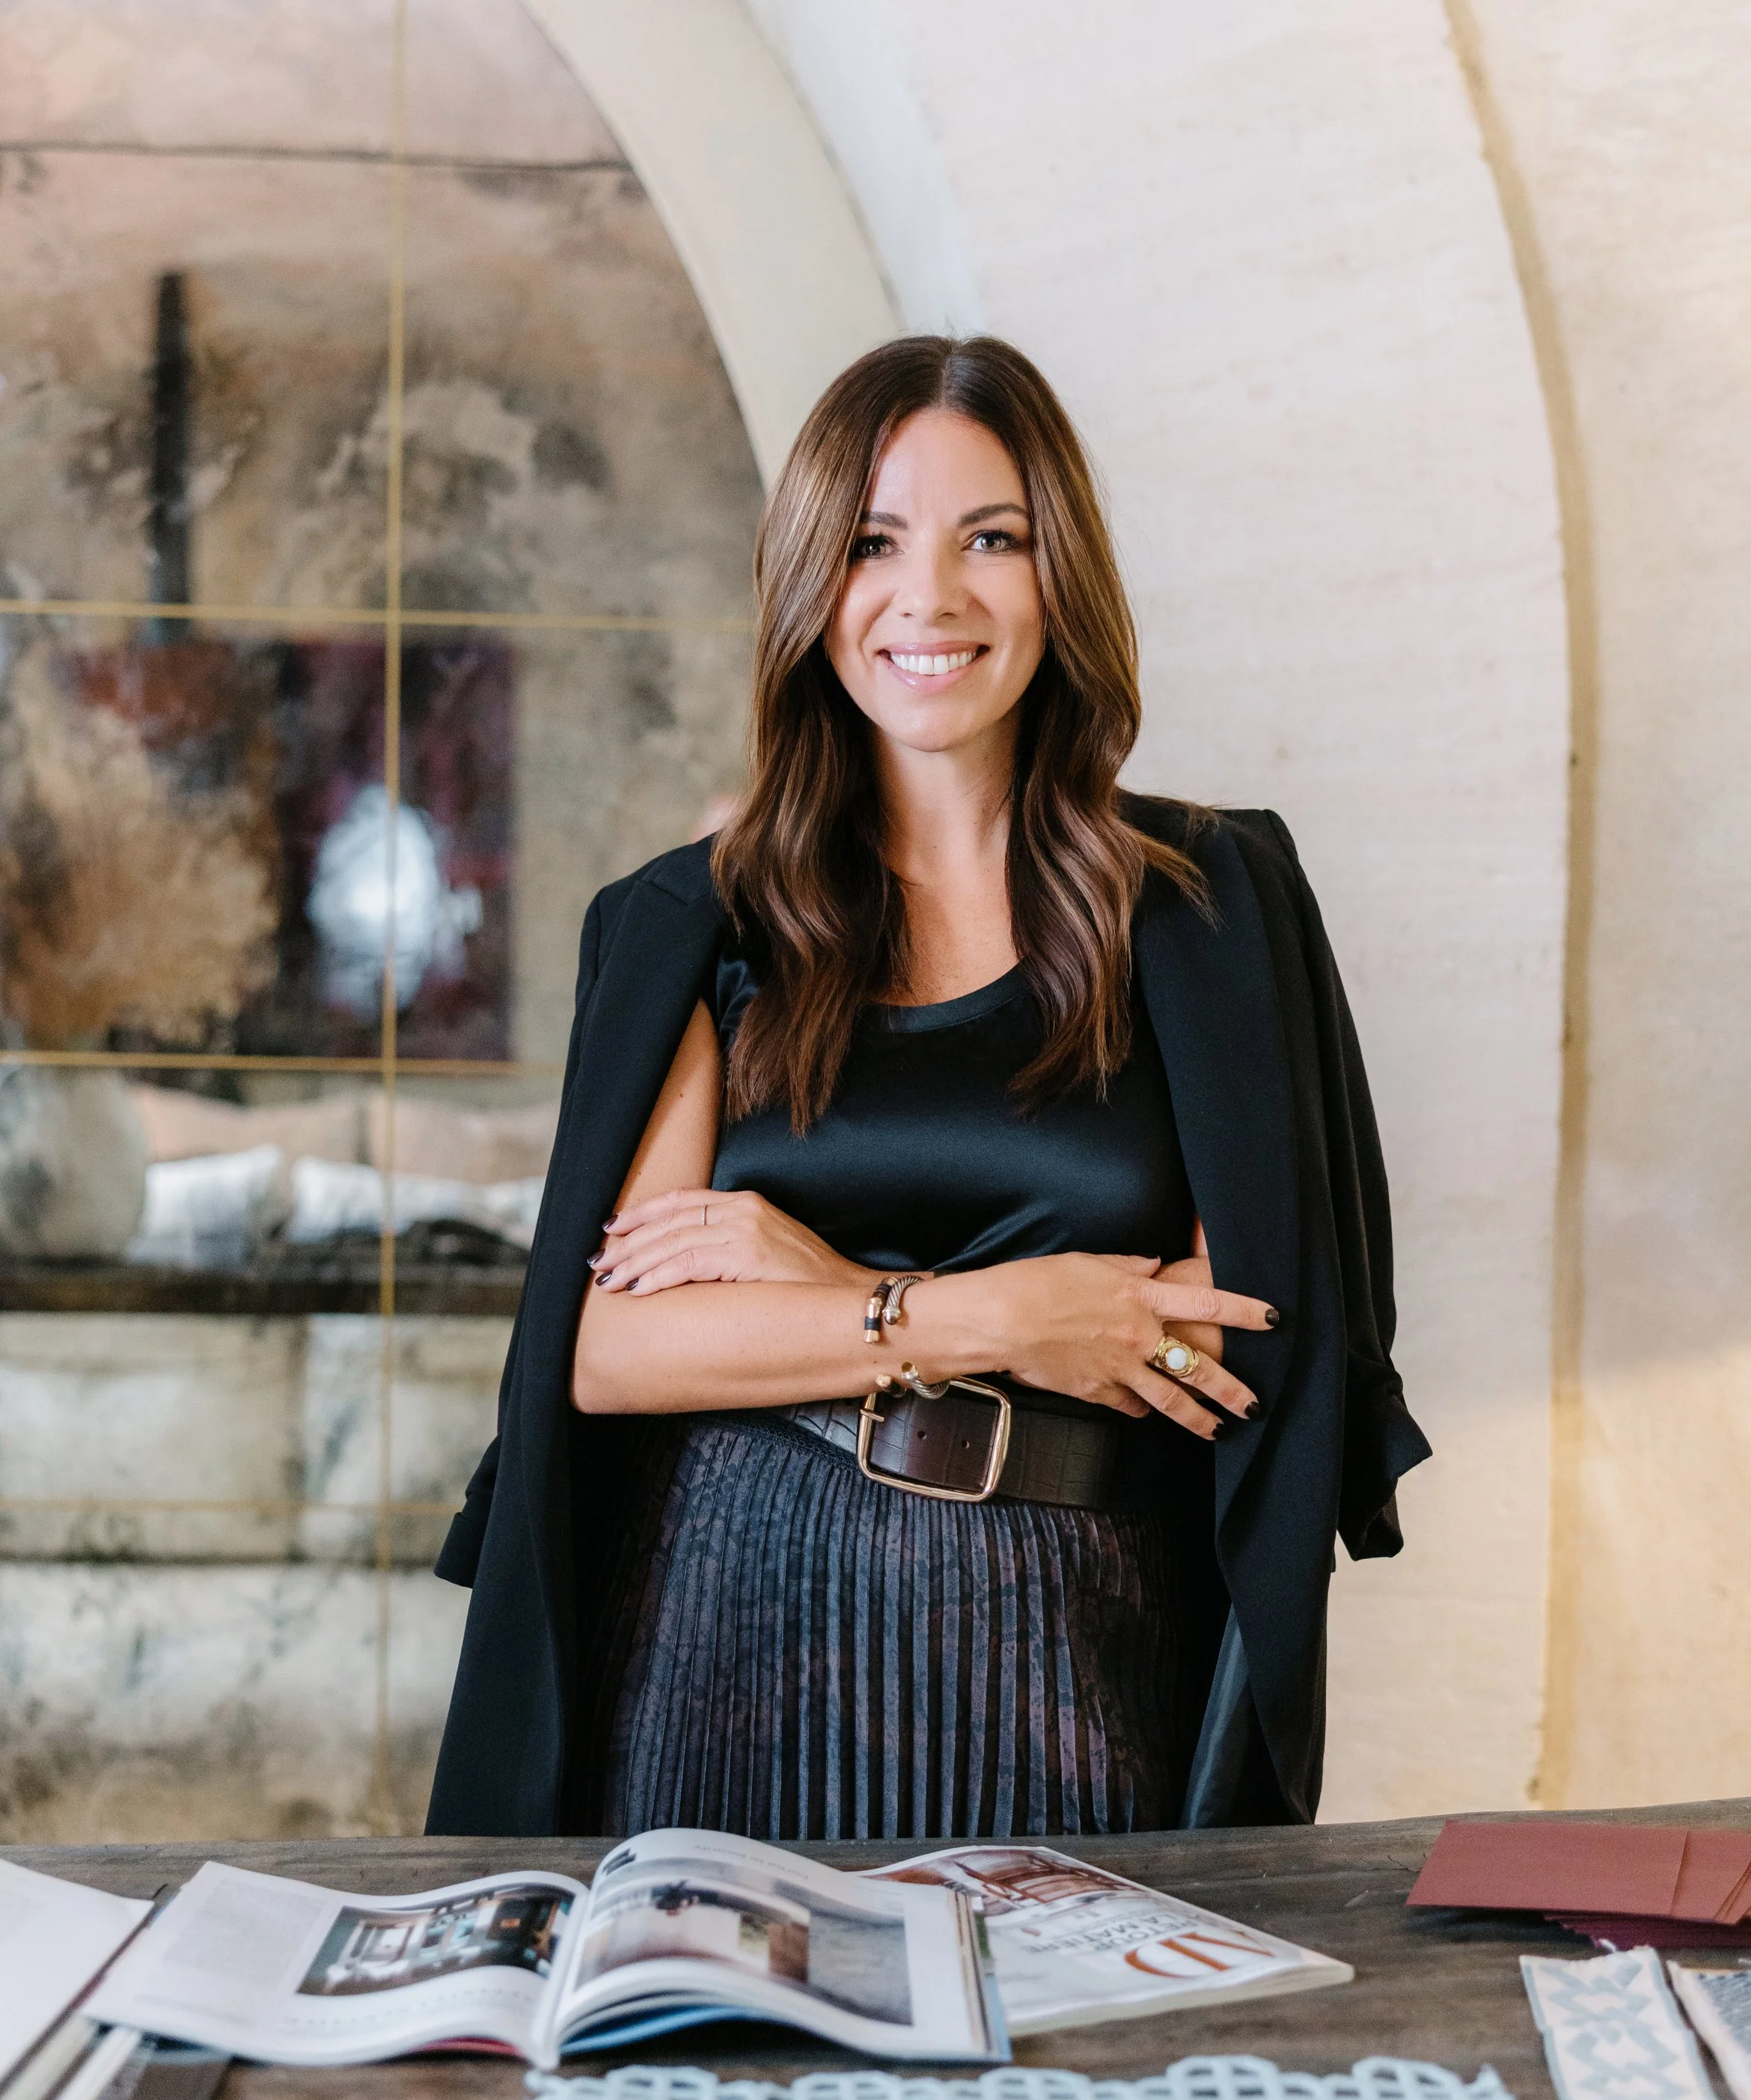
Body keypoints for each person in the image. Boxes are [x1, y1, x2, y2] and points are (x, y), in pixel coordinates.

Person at [426, 334, 1429, 1842]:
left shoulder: (1212, 903)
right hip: (723, 1612)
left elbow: (1220, 1343)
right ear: (810, 582)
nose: (930, 599)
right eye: (874, 543)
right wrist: (987, 1315)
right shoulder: (693, 924)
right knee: (723, 2072)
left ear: (1058, 573)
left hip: (1081, 1628)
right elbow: (613, 1355)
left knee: (1084, 2069)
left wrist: (810, 1277)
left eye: (992, 540)